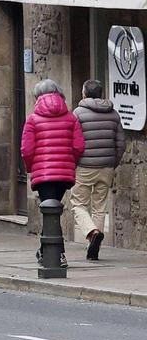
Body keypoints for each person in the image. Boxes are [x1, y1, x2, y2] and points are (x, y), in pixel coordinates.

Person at [21, 79, 85, 266]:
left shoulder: (33, 119)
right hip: (64, 174)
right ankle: (45, 250)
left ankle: (58, 255)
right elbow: (79, 146)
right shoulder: (71, 117)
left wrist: (31, 167)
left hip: (44, 175)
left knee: (51, 213)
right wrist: (69, 162)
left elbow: (26, 150)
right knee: (53, 210)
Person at [71, 79, 126, 260]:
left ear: (84, 93)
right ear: (101, 94)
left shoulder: (78, 113)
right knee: (100, 207)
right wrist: (113, 162)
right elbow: (121, 144)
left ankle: (91, 232)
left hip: (85, 166)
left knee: (78, 204)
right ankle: (94, 247)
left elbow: (74, 142)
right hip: (107, 167)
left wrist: (75, 161)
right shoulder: (114, 114)